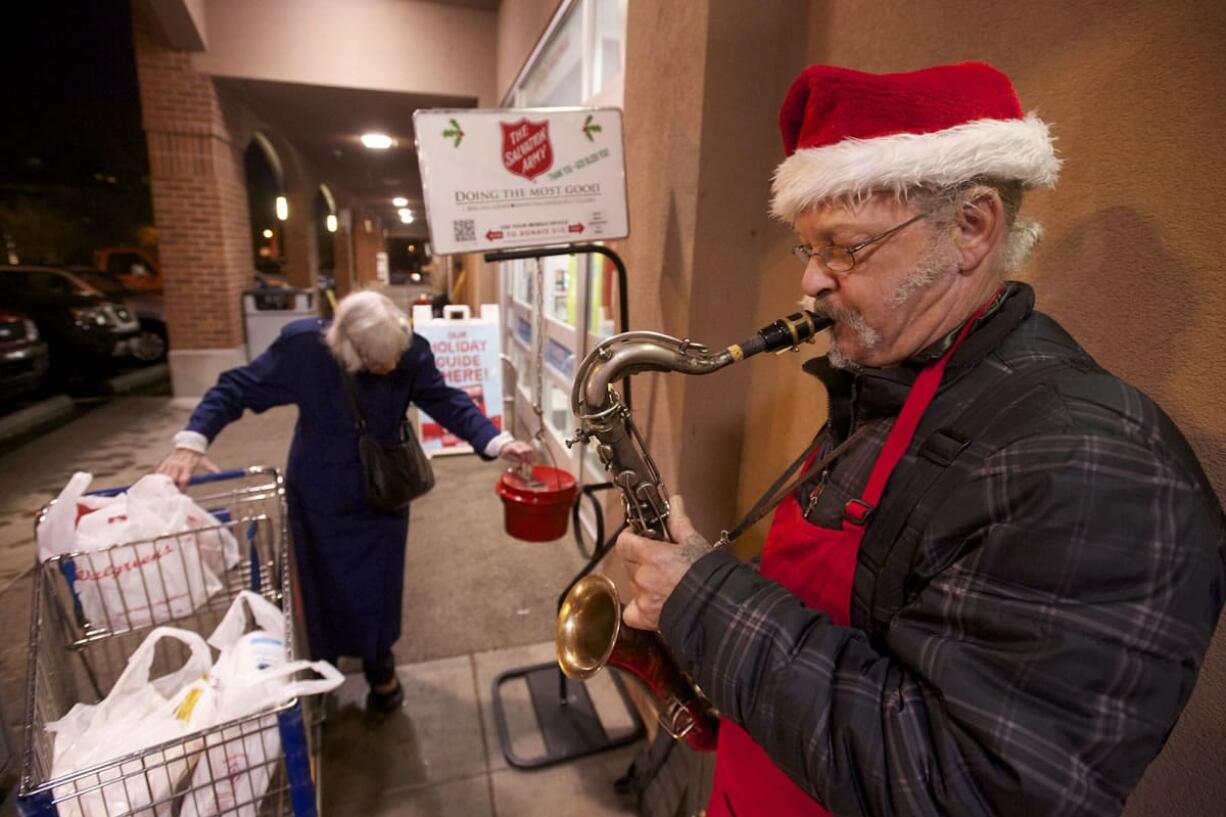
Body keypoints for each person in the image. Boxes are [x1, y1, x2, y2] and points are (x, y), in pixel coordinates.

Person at [615, 62, 1225, 816]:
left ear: (972, 228)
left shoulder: (1099, 467)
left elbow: (963, 787)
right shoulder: (895, 373)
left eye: (844, 246)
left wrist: (702, 600)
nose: (810, 282)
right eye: (809, 248)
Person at [158, 289, 533, 713]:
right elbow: (236, 388)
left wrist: (496, 440)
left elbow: (444, 399)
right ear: (347, 348)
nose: (390, 367)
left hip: (384, 489)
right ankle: (322, 669)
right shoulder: (305, 349)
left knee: (379, 585)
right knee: (319, 587)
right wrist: (191, 441)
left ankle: (379, 667)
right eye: (378, 362)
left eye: (395, 357)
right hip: (319, 493)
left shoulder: (409, 351)